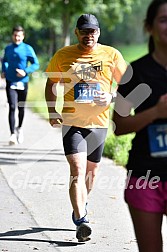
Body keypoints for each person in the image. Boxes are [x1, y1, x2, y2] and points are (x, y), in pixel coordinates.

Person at [45, 13, 127, 242]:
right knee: (77, 169)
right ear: (76, 33)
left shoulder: (111, 54)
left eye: (92, 31)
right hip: (73, 123)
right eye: (84, 31)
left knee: (91, 173)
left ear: (98, 32)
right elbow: (51, 82)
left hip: (99, 124)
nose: (88, 35)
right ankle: (81, 220)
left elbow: (128, 84)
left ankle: (80, 204)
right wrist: (53, 110)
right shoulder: (64, 55)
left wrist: (110, 96)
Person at [113, 0, 167, 251]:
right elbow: (119, 125)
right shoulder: (137, 74)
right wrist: (156, 112)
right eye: (164, 19)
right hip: (146, 175)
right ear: (149, 27)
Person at [1, 25, 39, 145]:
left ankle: (20, 128)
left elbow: (35, 64)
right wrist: (4, 71)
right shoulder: (8, 48)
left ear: (23, 36)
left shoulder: (28, 48)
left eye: (19, 36)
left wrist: (25, 71)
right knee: (12, 106)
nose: (17, 38)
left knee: (21, 107)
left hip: (23, 82)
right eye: (15, 35)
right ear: (12, 36)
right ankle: (12, 134)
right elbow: (5, 60)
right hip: (11, 81)